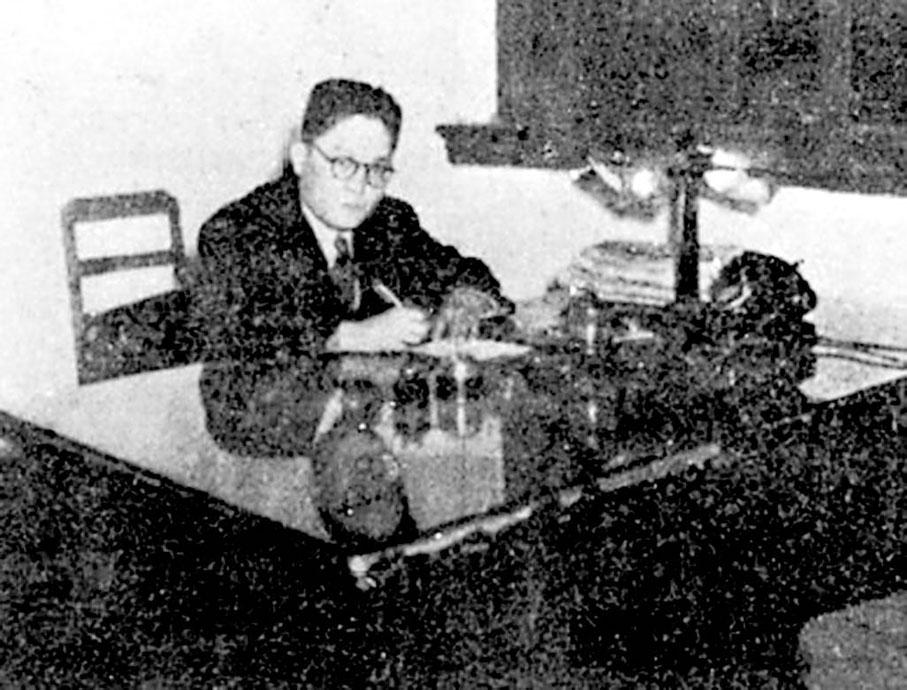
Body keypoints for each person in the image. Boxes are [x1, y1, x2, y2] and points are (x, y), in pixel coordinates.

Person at [194, 78, 512, 456]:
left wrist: (467, 295)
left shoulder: (389, 220)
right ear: (301, 158)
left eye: (377, 169)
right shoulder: (236, 231)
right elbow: (243, 333)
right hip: (273, 431)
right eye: (343, 164)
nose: (360, 187)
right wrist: (348, 336)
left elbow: (461, 270)